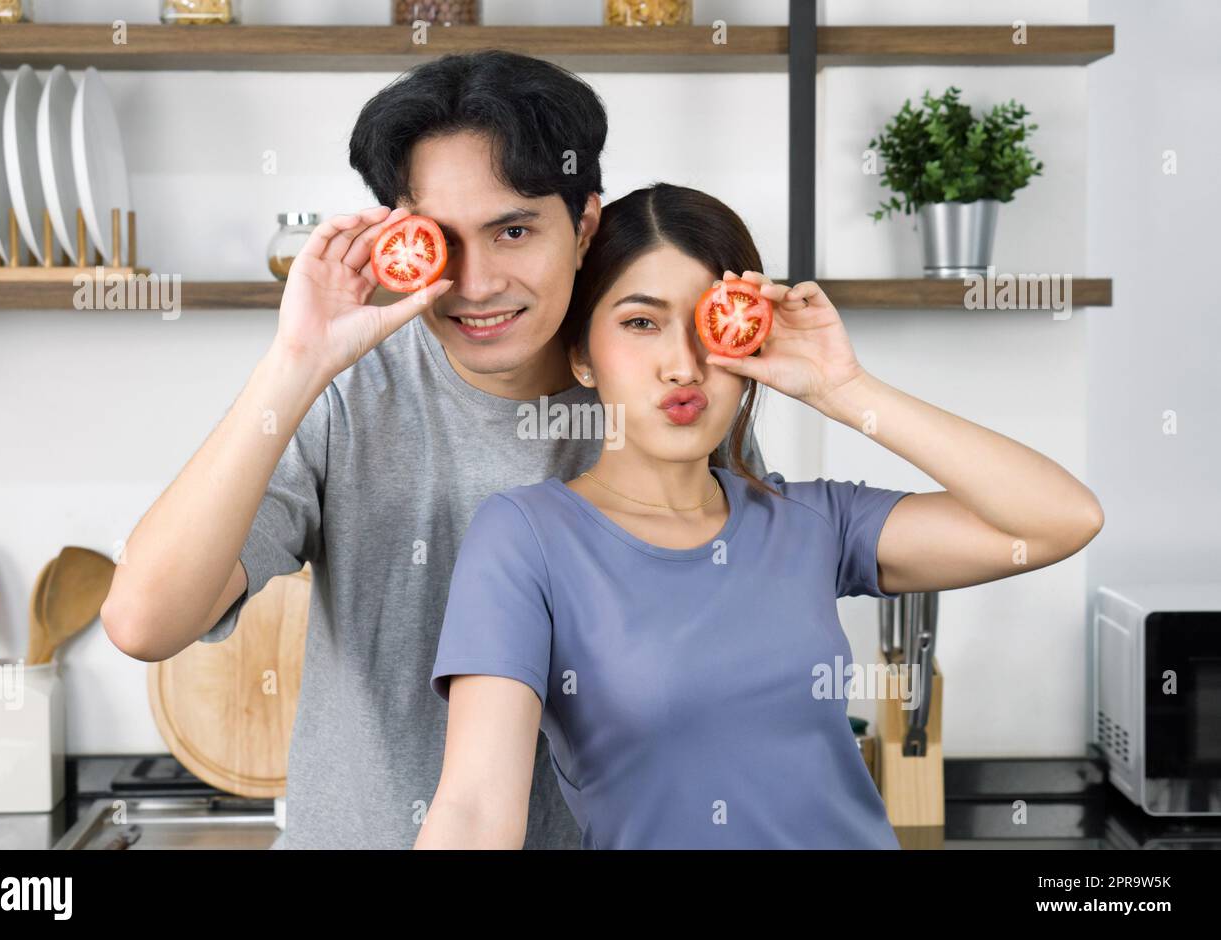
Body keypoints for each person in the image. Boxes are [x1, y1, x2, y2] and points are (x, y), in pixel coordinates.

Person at [99, 53, 763, 849]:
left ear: (585, 224)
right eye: (440, 240)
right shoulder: (343, 394)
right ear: (395, 237)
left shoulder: (663, 394)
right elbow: (143, 622)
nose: (476, 284)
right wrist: (294, 363)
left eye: (513, 231)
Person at [417, 183, 1104, 849]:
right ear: (581, 356)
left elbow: (1059, 519)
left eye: (710, 325)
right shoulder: (527, 539)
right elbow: (475, 812)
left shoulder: (812, 521)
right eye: (639, 323)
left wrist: (845, 389)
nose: (683, 366)